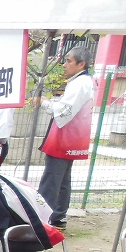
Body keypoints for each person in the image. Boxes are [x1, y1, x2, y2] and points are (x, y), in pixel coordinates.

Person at [35, 45, 95, 229]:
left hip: (66, 136)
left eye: (69, 61)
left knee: (52, 178)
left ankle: (42, 217)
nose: (64, 65)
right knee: (62, 179)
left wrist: (45, 103)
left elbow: (65, 111)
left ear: (81, 64)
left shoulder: (80, 83)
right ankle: (58, 216)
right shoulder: (81, 82)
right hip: (71, 135)